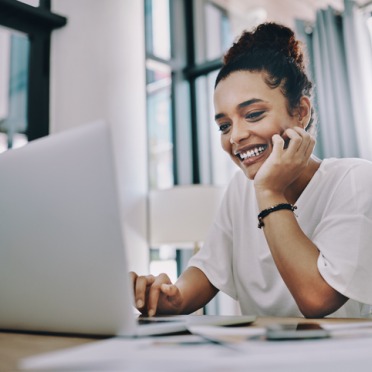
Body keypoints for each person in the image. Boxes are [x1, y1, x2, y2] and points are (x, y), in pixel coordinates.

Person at [130, 22, 372, 319]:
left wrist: (270, 192)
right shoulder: (239, 190)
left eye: (253, 115)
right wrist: (170, 298)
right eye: (224, 126)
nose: (235, 137)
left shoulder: (354, 181)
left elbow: (317, 299)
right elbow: (206, 270)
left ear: (301, 113)